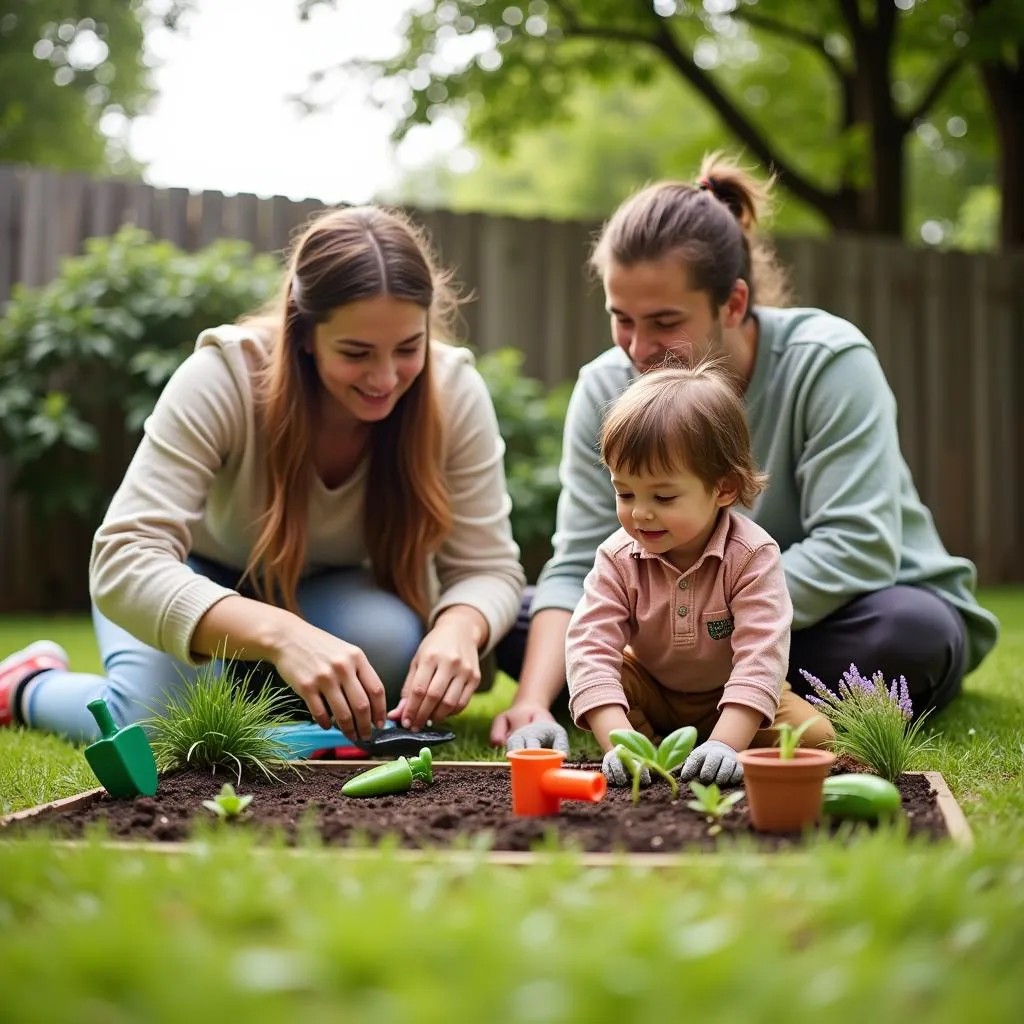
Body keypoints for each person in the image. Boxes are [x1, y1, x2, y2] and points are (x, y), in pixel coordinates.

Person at [493, 153, 1000, 752]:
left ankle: (712, 698)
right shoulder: (604, 386)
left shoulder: (828, 361)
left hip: (837, 614)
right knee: (525, 624)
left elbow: (858, 547)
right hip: (667, 633)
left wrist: (713, 617)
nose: (638, 348)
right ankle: (701, 700)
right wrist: (530, 701)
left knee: (911, 634)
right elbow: (579, 564)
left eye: (664, 321)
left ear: (733, 303)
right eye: (621, 319)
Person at [0, 206, 525, 744]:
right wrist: (280, 635)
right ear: (304, 334)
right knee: (162, 722)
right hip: (196, 573)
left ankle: (239, 685)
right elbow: (124, 557)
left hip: (322, 591)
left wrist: (459, 626)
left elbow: (489, 567)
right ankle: (27, 685)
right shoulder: (223, 375)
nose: (386, 377)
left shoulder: (454, 391)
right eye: (355, 353)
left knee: (389, 646)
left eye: (408, 348)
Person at [568, 362, 833, 787]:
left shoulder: (751, 556)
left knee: (818, 738)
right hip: (653, 690)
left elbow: (760, 657)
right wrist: (618, 743)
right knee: (609, 673)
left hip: (731, 695)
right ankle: (647, 750)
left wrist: (727, 742)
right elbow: (591, 649)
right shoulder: (617, 557)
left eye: (664, 496)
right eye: (625, 492)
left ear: (724, 488)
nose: (640, 512)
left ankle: (721, 752)